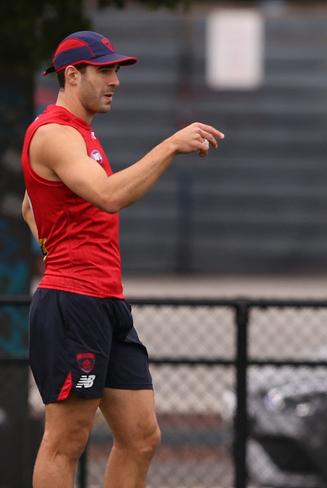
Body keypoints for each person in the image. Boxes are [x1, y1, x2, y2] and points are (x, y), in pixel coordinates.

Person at [20, 30, 224, 488]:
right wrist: (171, 145)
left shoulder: (82, 136)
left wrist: (51, 238)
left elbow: (30, 206)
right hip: (72, 302)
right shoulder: (54, 133)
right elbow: (109, 196)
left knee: (141, 436)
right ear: (72, 75)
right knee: (65, 441)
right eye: (105, 70)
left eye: (116, 70)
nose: (115, 80)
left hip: (105, 301)